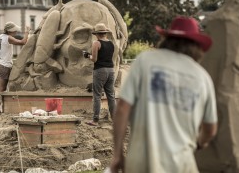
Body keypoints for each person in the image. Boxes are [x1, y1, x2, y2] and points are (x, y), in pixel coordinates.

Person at [109, 16, 218, 173]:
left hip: (141, 162)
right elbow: (210, 129)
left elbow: (122, 109)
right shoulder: (203, 78)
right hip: (181, 165)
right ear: (197, 46)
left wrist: (117, 154)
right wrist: (199, 142)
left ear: (167, 39)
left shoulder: (144, 61)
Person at [0, 22, 29, 114]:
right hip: (4, 65)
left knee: (2, 88)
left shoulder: (0, 36)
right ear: (9, 31)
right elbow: (23, 42)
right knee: (2, 89)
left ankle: (1, 109)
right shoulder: (8, 38)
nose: (15, 31)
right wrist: (27, 32)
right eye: (14, 30)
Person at [84, 23, 115, 126]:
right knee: (111, 95)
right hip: (111, 70)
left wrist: (87, 55)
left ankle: (95, 120)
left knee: (97, 95)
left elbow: (94, 59)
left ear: (97, 34)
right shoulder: (111, 43)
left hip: (100, 70)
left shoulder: (96, 43)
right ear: (105, 33)